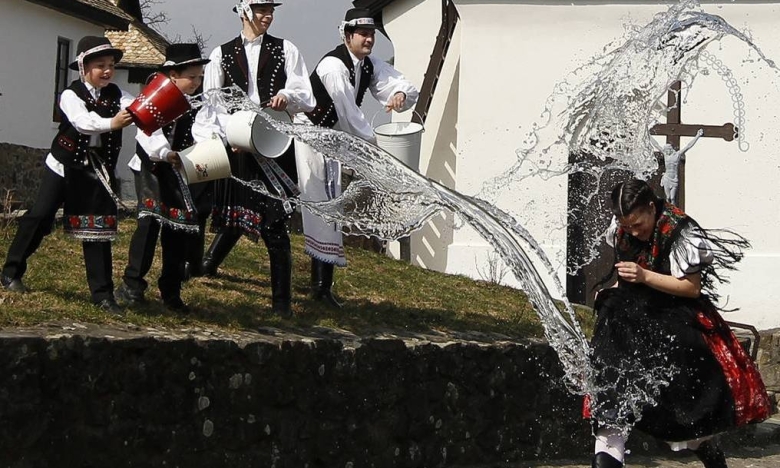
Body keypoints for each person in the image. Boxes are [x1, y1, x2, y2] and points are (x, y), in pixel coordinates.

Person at [586, 178, 770, 468]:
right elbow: (625, 270)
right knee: (613, 394)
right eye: (627, 225)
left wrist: (645, 276)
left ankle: (707, 451)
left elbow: (691, 288)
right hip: (632, 319)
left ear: (651, 206)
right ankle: (609, 442)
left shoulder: (682, 231)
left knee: (681, 409)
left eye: (638, 225)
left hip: (675, 317)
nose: (633, 231)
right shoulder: (621, 228)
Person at [192, 0, 315, 318]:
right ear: (244, 11)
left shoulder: (286, 49)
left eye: (271, 9)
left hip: (275, 145)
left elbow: (306, 93)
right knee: (235, 214)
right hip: (238, 146)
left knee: (275, 223)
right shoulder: (221, 54)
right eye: (261, 9)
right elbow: (213, 104)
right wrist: (227, 136)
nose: (268, 15)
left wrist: (287, 96)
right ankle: (207, 265)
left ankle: (281, 301)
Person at [294, 7, 419, 307]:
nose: (369, 39)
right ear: (347, 35)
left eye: (372, 34)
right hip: (311, 138)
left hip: (333, 141)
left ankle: (322, 287)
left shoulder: (368, 65)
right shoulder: (333, 67)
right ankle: (319, 288)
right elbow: (349, 115)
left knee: (331, 209)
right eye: (363, 34)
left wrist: (399, 94)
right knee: (322, 208)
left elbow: (398, 84)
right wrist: (375, 149)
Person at [0, 36, 135, 314]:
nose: (107, 71)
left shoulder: (118, 95)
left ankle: (103, 296)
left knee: (97, 229)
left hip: (95, 170)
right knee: (40, 217)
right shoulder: (70, 95)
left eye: (111, 65)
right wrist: (113, 122)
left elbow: (139, 106)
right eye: (101, 65)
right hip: (63, 165)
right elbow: (83, 123)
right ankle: (11, 272)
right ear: (84, 66)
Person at [115, 43, 210, 312]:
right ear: (172, 74)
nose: (196, 82)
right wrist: (165, 152)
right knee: (149, 225)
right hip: (153, 168)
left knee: (177, 230)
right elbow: (146, 132)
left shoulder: (199, 102)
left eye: (199, 77)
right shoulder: (153, 96)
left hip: (180, 169)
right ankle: (132, 285)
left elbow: (205, 130)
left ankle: (171, 292)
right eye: (191, 77)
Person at [650, 129, 703, 205]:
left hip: (674, 178)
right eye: (665, 150)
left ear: (670, 149)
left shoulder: (677, 155)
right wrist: (649, 135)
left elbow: (688, 146)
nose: (666, 151)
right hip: (667, 178)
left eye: (667, 150)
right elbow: (656, 145)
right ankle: (668, 212)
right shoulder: (665, 154)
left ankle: (674, 211)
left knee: (672, 198)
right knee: (667, 197)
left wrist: (697, 136)